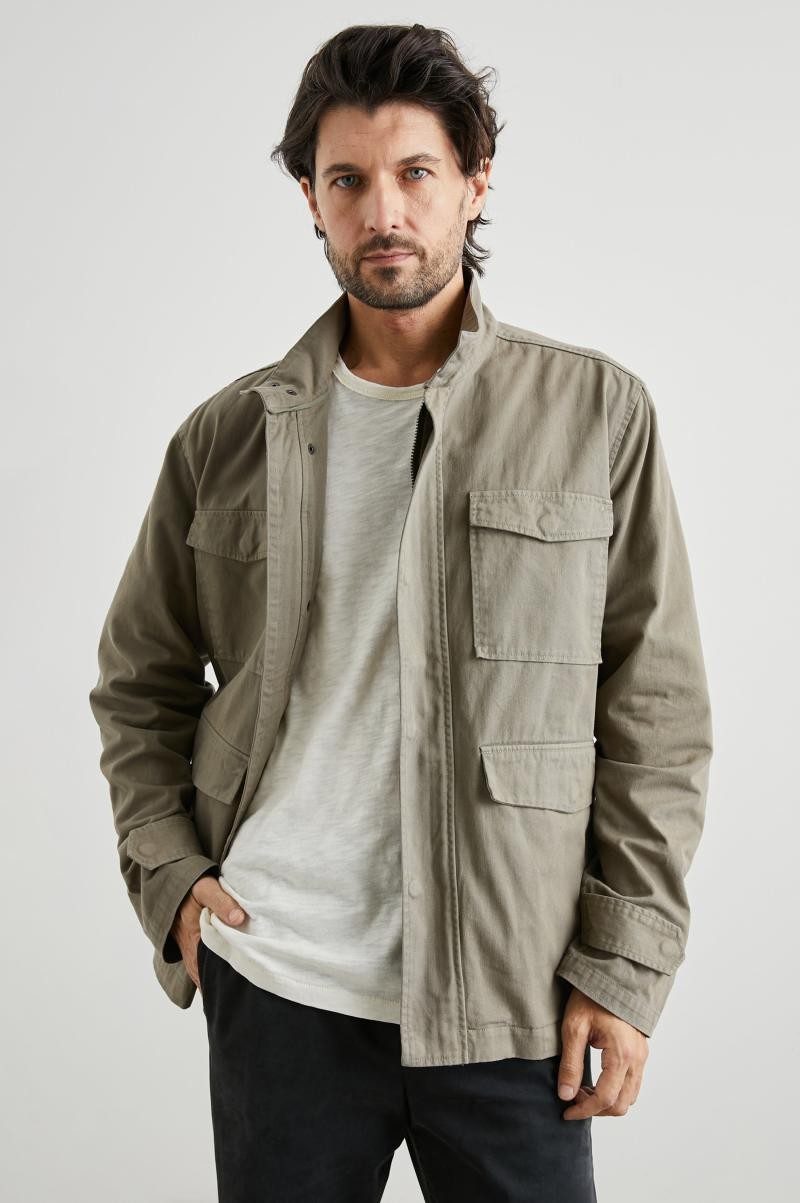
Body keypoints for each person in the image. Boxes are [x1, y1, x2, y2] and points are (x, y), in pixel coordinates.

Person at [89, 22, 713, 1203]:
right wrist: (169, 878)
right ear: (311, 203)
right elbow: (138, 685)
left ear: (475, 180)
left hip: (512, 996)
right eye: (346, 181)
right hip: (278, 984)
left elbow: (656, 715)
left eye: (415, 173)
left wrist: (622, 968)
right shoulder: (224, 438)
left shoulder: (594, 414)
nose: (382, 211)